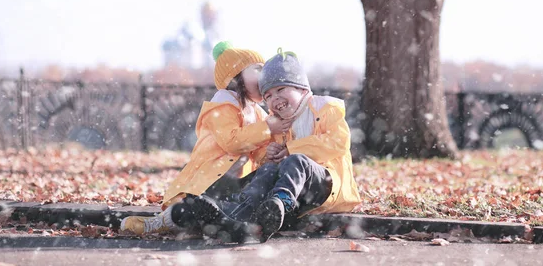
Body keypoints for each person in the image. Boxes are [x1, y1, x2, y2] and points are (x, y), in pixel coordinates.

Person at [120, 41, 292, 235]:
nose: (264, 75)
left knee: (236, 196)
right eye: (258, 69)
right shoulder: (222, 105)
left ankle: (217, 223)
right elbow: (232, 142)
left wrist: (269, 153)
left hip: (235, 183)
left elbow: (257, 149)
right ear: (235, 77)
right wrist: (267, 127)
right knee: (195, 205)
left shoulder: (257, 113)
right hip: (211, 179)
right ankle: (161, 222)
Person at [194, 48, 362, 242]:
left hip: (327, 187)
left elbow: (338, 142)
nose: (275, 99)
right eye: (268, 96)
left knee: (297, 161)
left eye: (281, 89)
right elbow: (266, 161)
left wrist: (292, 149)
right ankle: (242, 211)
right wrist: (269, 154)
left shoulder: (325, 108)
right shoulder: (278, 123)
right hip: (299, 196)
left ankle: (279, 203)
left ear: (302, 88)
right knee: (268, 169)